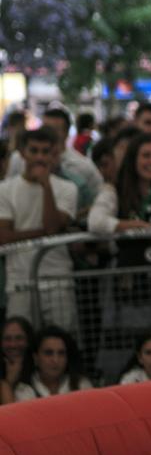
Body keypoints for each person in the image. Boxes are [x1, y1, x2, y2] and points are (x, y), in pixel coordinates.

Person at [0, 127, 79, 331]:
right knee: (20, 340)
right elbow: (4, 237)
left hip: (57, 279)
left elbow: (52, 226)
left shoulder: (67, 189)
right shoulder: (5, 189)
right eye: (34, 151)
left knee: (62, 337)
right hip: (20, 280)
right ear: (22, 153)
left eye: (45, 152)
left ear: (54, 155)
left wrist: (46, 186)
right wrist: (43, 234)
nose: (39, 157)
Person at [12, 325, 92, 400]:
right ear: (36, 358)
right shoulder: (24, 390)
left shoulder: (81, 385)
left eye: (61, 353)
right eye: (48, 353)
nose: (55, 360)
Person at [2, 316, 33, 394]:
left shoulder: (40, 369)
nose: (13, 345)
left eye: (19, 338)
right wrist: (10, 382)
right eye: (7, 339)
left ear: (28, 340)